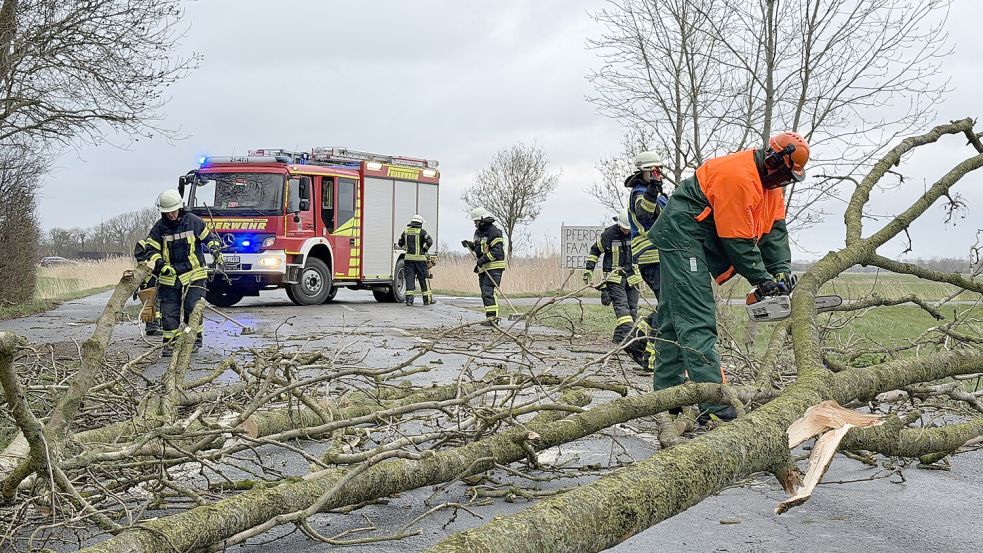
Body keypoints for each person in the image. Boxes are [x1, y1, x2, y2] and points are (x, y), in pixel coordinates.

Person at [648, 131, 808, 421]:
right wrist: (761, 279)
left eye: (788, 179)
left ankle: (666, 397)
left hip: (698, 238)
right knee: (697, 317)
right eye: (784, 175)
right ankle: (715, 403)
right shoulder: (739, 177)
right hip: (683, 235)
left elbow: (774, 233)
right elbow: (737, 241)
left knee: (673, 319)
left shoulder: (772, 189)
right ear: (773, 161)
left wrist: (781, 271)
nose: (783, 182)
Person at [136, 189, 224, 357]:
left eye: (173, 211)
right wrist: (162, 265)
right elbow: (151, 250)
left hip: (194, 272)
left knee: (193, 306)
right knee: (169, 311)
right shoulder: (159, 228)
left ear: (180, 208)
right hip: (170, 275)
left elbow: (210, 238)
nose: (171, 215)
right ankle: (170, 343)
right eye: (167, 212)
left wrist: (215, 249)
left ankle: (194, 339)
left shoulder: (194, 222)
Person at [584, 209, 642, 343]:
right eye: (623, 228)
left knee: (632, 309)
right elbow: (595, 251)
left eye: (628, 228)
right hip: (614, 278)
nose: (626, 231)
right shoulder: (609, 235)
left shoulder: (636, 233)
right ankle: (628, 339)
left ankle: (618, 338)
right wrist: (589, 270)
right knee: (622, 307)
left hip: (632, 278)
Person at [462, 207, 506, 325]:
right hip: (484, 267)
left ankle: (493, 319)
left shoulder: (494, 232)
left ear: (482, 220)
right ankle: (490, 318)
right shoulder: (479, 232)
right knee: (484, 292)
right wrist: (469, 245)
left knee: (488, 291)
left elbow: (497, 251)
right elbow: (479, 248)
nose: (475, 224)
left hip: (494, 266)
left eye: (475, 221)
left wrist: (483, 259)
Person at [398, 214, 435, 306]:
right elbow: (430, 241)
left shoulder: (406, 231)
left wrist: (406, 249)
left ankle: (409, 301)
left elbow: (400, 242)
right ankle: (427, 300)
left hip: (408, 259)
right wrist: (425, 249)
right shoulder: (422, 232)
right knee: (423, 279)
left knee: (409, 279)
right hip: (420, 260)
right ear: (420, 223)